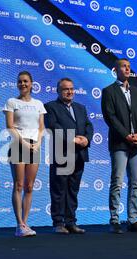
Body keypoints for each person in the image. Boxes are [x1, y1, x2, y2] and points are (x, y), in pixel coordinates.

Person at [101, 58, 137, 234]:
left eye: (129, 67)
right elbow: (110, 117)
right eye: (124, 66)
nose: (127, 69)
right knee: (117, 182)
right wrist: (126, 135)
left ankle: (133, 219)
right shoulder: (109, 91)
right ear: (116, 70)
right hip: (120, 143)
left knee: (135, 183)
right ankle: (115, 219)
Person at [44, 78, 94, 234]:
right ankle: (58, 223)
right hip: (62, 153)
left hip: (79, 154)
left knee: (73, 190)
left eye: (72, 89)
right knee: (59, 190)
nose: (70, 92)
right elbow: (53, 126)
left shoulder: (81, 108)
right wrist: (71, 139)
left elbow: (88, 126)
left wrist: (86, 139)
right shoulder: (51, 107)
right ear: (58, 91)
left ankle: (71, 222)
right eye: (66, 89)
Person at [3, 71, 47, 237]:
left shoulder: (38, 104)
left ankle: (25, 223)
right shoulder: (11, 102)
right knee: (19, 185)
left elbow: (41, 127)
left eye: (26, 81)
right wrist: (24, 143)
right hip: (18, 145)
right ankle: (19, 224)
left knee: (29, 187)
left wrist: (38, 143)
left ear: (31, 84)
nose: (23, 84)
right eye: (20, 81)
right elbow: (10, 126)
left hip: (34, 146)